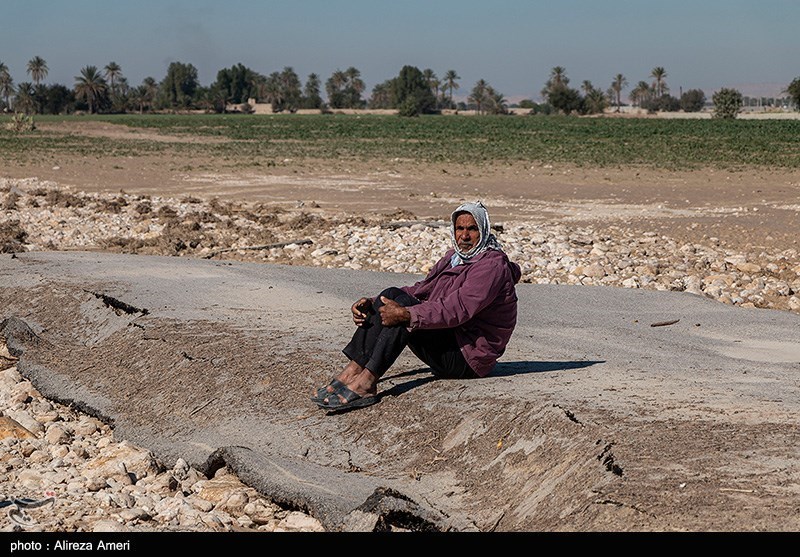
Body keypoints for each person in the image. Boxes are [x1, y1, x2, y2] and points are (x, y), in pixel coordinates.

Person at [311, 201, 521, 412]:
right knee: (391, 295)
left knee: (403, 310)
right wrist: (373, 302)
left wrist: (407, 314)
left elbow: (456, 309)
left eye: (472, 229)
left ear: (483, 230)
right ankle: (352, 371)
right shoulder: (455, 258)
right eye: (460, 228)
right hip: (452, 338)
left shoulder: (491, 266)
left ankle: (367, 381)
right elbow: (423, 289)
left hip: (468, 357)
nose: (464, 236)